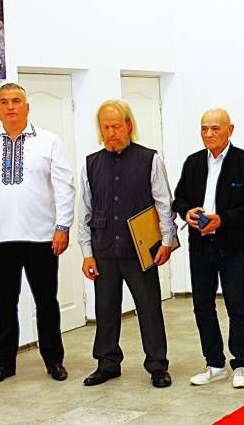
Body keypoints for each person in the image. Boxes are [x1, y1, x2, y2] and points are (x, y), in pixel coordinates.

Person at [0, 82, 74, 385]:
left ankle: (54, 361)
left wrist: (62, 226)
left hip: (42, 238)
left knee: (46, 302)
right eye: (4, 102)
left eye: (16, 101)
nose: (10, 106)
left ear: (27, 107)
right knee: (4, 304)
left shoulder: (49, 141)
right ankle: (4, 364)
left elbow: (64, 187)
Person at [77, 100, 177, 388]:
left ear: (129, 125)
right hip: (104, 248)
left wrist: (167, 241)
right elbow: (84, 210)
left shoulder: (150, 159)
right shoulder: (91, 164)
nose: (111, 133)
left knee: (149, 308)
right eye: (106, 127)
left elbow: (164, 203)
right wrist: (87, 253)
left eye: (116, 126)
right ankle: (107, 363)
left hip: (141, 249)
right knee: (105, 309)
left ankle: (157, 365)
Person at [172, 108, 244, 389]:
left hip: (233, 247)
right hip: (200, 246)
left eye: (215, 128)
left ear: (229, 130)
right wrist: (188, 212)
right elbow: (179, 199)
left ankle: (242, 364)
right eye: (204, 128)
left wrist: (222, 220)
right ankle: (214, 364)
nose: (209, 134)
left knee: (236, 304)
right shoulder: (193, 163)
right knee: (202, 306)